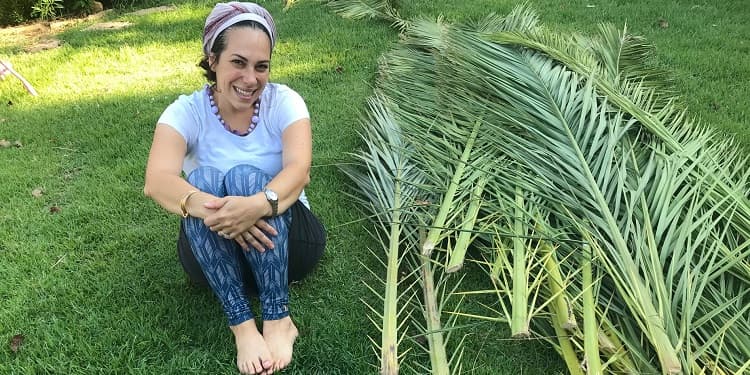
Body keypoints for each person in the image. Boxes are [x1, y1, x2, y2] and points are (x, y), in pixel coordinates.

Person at [143, 3, 325, 374]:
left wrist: (256, 205)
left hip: (289, 246)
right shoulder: (186, 111)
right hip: (213, 255)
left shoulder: (284, 102)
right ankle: (241, 325)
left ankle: (278, 319)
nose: (250, 79)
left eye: (261, 66)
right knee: (202, 181)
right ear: (213, 59)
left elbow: (299, 170)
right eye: (238, 62)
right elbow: (157, 181)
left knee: (244, 175)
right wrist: (220, 209)